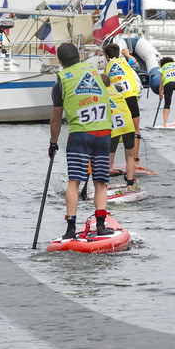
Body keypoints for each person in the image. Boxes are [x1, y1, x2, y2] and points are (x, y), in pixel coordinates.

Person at [47, 42, 115, 241]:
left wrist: (53, 143)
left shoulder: (60, 83)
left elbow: (56, 120)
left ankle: (70, 229)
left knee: (74, 181)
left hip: (80, 135)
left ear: (60, 62)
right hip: (103, 132)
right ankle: (101, 226)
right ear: (78, 57)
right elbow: (107, 82)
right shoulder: (92, 70)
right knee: (100, 181)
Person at [102, 41, 142, 185]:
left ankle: (106, 175)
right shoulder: (125, 61)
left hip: (117, 99)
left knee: (110, 146)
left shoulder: (107, 68)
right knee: (136, 130)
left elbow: (105, 83)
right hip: (130, 95)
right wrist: (126, 54)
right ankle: (135, 161)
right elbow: (134, 61)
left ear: (106, 56)